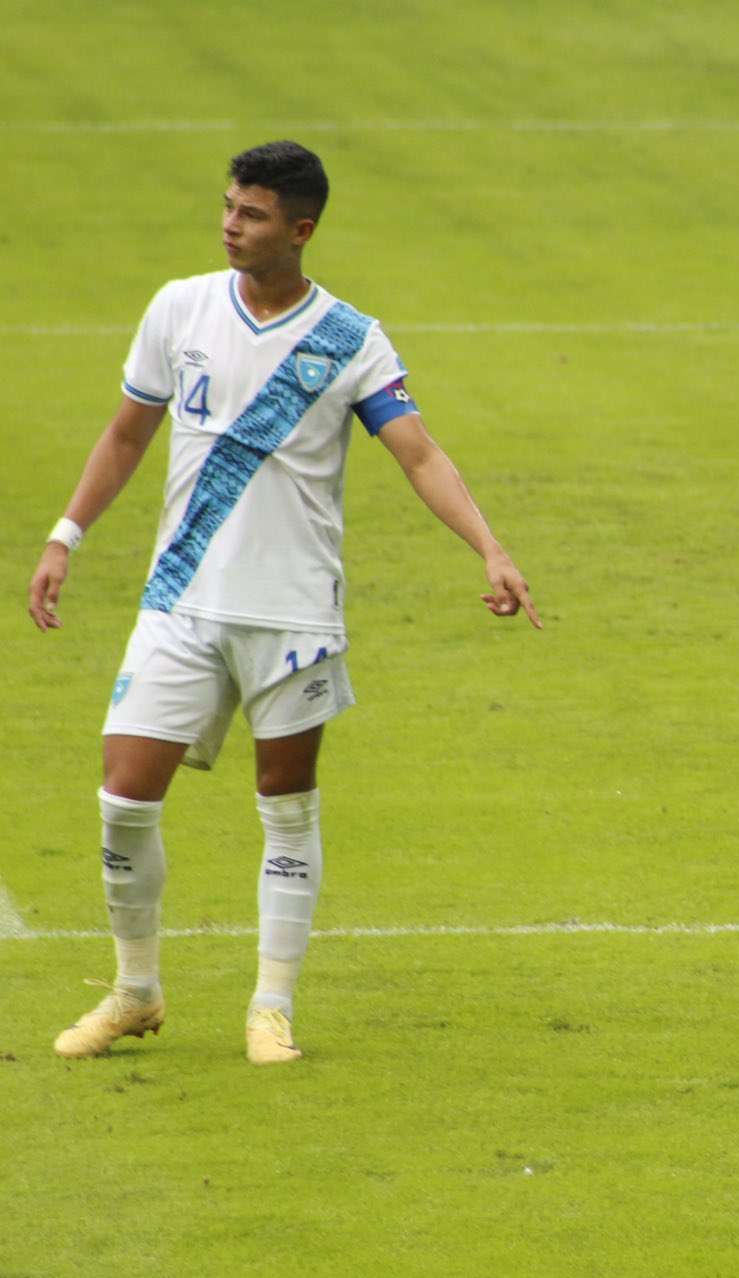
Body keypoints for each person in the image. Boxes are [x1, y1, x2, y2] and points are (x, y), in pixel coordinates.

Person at [27, 140, 540, 1065]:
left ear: (300, 230)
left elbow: (418, 454)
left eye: (252, 213)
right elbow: (125, 434)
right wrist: (66, 534)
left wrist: (491, 547)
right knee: (122, 799)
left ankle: (271, 1006)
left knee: (285, 802)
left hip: (294, 612)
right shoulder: (178, 307)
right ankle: (134, 990)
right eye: (227, 206)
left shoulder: (350, 338)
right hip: (180, 598)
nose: (231, 224)